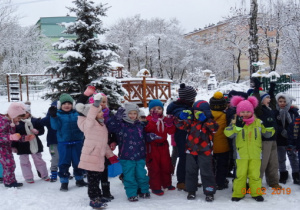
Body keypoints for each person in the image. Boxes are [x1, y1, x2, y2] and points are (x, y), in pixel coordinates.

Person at [225, 96, 275, 202]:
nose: (245, 114)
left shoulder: (258, 123)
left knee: (255, 175)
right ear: (238, 112)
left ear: (252, 111)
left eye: (248, 111)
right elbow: (228, 133)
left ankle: (256, 193)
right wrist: (237, 128)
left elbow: (267, 134)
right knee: (240, 175)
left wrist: (270, 127)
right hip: (241, 155)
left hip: (255, 154)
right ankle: (238, 193)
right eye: (242, 112)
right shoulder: (234, 123)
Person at [76, 89, 118, 209]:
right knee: (93, 180)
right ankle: (94, 199)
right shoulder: (88, 124)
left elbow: (103, 143)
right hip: (91, 156)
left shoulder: (101, 125)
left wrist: (110, 155)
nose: (101, 114)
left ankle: (99, 195)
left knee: (98, 177)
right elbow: (90, 116)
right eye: (99, 112)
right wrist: (95, 104)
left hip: (98, 155)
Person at [175, 100, 218, 202]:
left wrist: (206, 119)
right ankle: (191, 190)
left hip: (205, 152)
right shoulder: (191, 122)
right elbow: (179, 125)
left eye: (199, 112)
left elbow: (215, 128)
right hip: (191, 151)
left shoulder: (209, 122)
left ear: (206, 112)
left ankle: (209, 192)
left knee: (206, 172)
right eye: (195, 112)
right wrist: (180, 118)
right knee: (190, 172)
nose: (196, 114)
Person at [107, 103, 150, 202]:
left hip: (140, 155)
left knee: (141, 174)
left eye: (134, 113)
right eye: (130, 113)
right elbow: (110, 127)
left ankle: (143, 190)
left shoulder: (140, 125)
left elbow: (144, 136)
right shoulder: (120, 125)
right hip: (126, 156)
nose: (132, 116)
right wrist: (116, 118)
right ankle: (132, 194)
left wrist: (150, 136)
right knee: (129, 176)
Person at [49, 93, 87, 191]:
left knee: (78, 162)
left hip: (77, 141)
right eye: (64, 103)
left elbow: (83, 124)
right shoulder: (57, 115)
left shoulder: (77, 113)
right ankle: (64, 181)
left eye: (69, 103)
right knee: (64, 163)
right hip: (64, 143)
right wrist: (53, 117)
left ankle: (79, 179)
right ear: (59, 105)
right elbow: (55, 127)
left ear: (73, 104)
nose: (67, 105)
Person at [166, 83, 197, 190]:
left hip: (191, 135)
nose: (194, 99)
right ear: (188, 98)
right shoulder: (178, 106)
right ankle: (181, 181)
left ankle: (191, 180)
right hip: (181, 135)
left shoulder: (189, 105)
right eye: (193, 97)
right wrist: (182, 115)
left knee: (192, 158)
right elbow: (178, 112)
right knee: (183, 157)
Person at [251, 82, 282, 189]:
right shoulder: (259, 111)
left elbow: (273, 101)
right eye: (267, 98)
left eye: (269, 98)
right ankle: (257, 182)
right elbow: (257, 101)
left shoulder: (270, 109)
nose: (269, 99)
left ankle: (273, 181)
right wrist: (256, 90)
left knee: (273, 162)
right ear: (261, 100)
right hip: (264, 140)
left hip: (273, 140)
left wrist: (272, 89)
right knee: (262, 163)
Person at [12, 101, 49, 183]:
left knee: (38, 159)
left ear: (29, 113)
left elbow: (42, 130)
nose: (25, 114)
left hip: (34, 143)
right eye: (23, 113)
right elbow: (14, 135)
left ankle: (44, 174)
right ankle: (28, 176)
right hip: (22, 145)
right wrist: (13, 146)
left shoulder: (35, 121)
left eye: (27, 112)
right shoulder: (17, 122)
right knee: (24, 161)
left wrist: (37, 131)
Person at [145, 99, 176, 196]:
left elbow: (171, 132)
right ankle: (155, 186)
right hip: (153, 146)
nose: (157, 110)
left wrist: (170, 124)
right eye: (154, 108)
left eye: (159, 108)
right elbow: (148, 130)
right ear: (150, 110)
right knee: (154, 167)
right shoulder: (148, 119)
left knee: (166, 165)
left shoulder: (164, 119)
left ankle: (167, 183)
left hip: (164, 146)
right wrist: (154, 121)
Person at [274, 92, 300, 184]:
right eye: (280, 101)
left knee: (293, 157)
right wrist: (281, 130)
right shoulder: (275, 112)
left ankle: (296, 174)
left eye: (284, 101)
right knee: (281, 158)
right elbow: (275, 125)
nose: (282, 103)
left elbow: (296, 124)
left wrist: (290, 132)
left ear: (288, 101)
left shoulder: (293, 112)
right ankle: (283, 173)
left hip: (291, 139)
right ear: (277, 102)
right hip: (280, 139)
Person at [0, 102, 26, 188]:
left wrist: (24, 138)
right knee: (8, 164)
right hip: (1, 147)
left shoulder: (11, 122)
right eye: (18, 118)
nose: (18, 120)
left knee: (11, 164)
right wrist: (11, 137)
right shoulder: (3, 121)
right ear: (12, 114)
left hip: (6, 147)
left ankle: (11, 181)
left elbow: (14, 136)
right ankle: (8, 182)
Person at [209, 92, 230, 190]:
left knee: (211, 165)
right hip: (223, 146)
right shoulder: (225, 116)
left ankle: (211, 181)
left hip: (210, 146)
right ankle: (220, 182)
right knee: (222, 165)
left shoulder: (207, 115)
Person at [40, 101, 59, 182]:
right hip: (52, 142)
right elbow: (40, 122)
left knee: (64, 158)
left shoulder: (61, 116)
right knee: (55, 157)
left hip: (63, 141)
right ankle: (54, 172)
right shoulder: (48, 118)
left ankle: (63, 172)